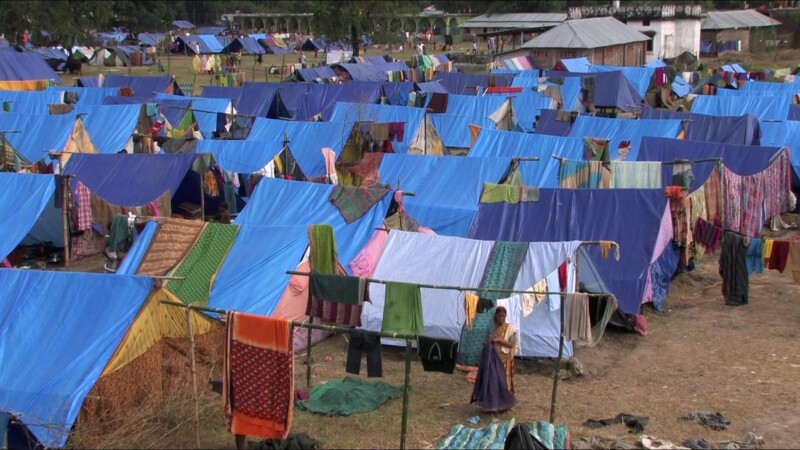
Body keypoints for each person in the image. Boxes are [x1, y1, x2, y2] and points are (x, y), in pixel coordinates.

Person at [486, 306, 518, 394]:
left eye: (503, 316)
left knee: (503, 380)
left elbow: (511, 344)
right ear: (495, 316)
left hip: (505, 360)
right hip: (494, 359)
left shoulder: (510, 328)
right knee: (494, 379)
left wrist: (499, 340)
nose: (501, 318)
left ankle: (505, 397)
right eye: (499, 316)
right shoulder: (494, 329)